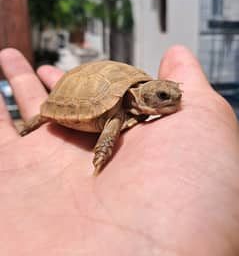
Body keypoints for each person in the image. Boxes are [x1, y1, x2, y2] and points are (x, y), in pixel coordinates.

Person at [0, 45, 238, 255]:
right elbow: (111, 127)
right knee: (44, 117)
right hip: (76, 95)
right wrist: (103, 149)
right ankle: (31, 127)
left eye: (171, 94)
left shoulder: (137, 99)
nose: (175, 100)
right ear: (142, 97)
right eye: (163, 96)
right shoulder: (116, 114)